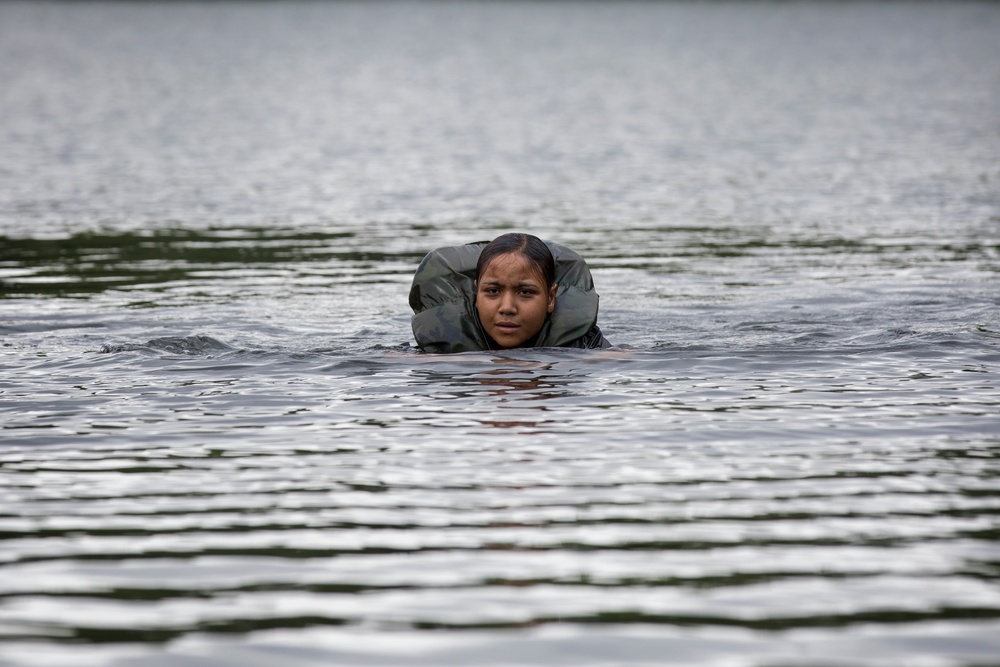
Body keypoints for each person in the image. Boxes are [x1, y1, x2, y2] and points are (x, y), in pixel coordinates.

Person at [409, 233, 611, 353]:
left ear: (551, 298)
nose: (507, 308)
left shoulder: (586, 347)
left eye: (525, 292)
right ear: (476, 293)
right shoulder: (436, 352)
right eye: (492, 291)